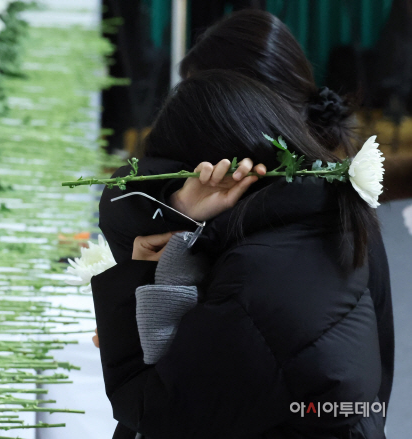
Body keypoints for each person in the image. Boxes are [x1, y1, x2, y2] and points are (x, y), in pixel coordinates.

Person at [97, 11, 394, 436]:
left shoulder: (255, 277)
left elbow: (150, 406)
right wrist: (180, 205)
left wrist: (125, 321)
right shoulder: (329, 206)